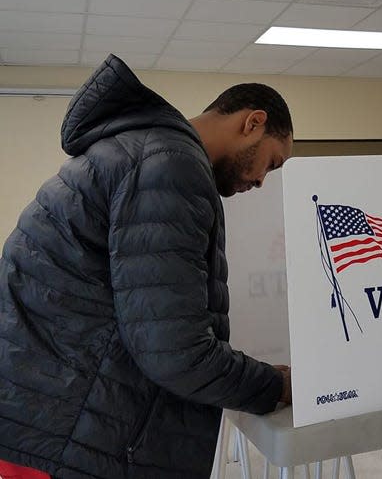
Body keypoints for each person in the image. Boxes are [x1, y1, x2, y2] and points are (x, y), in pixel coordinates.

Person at [0, 54, 293, 479]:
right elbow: (175, 351)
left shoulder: (138, 150)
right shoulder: (171, 166)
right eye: (272, 162)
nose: (263, 181)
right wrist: (276, 386)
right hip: (65, 434)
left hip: (43, 412)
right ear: (253, 123)